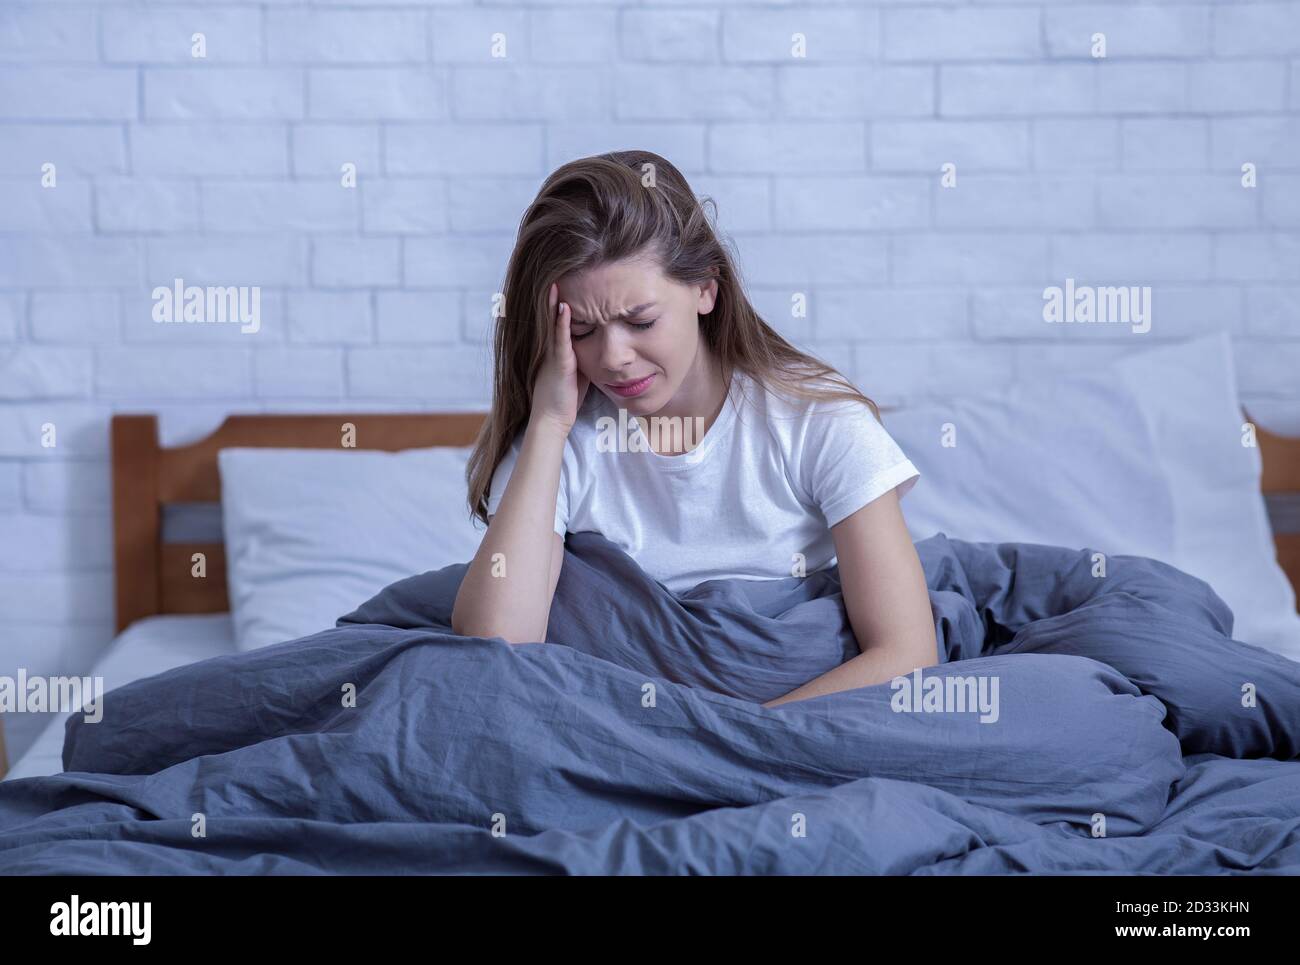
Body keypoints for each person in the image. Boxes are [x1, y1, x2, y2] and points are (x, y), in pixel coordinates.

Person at [454, 150, 937, 707]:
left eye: (641, 322)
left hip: (775, 720)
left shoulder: (817, 421)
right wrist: (547, 423)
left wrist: (729, 736)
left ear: (706, 289)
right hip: (628, 722)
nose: (613, 358)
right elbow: (495, 645)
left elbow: (906, 652)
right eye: (581, 331)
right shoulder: (562, 438)